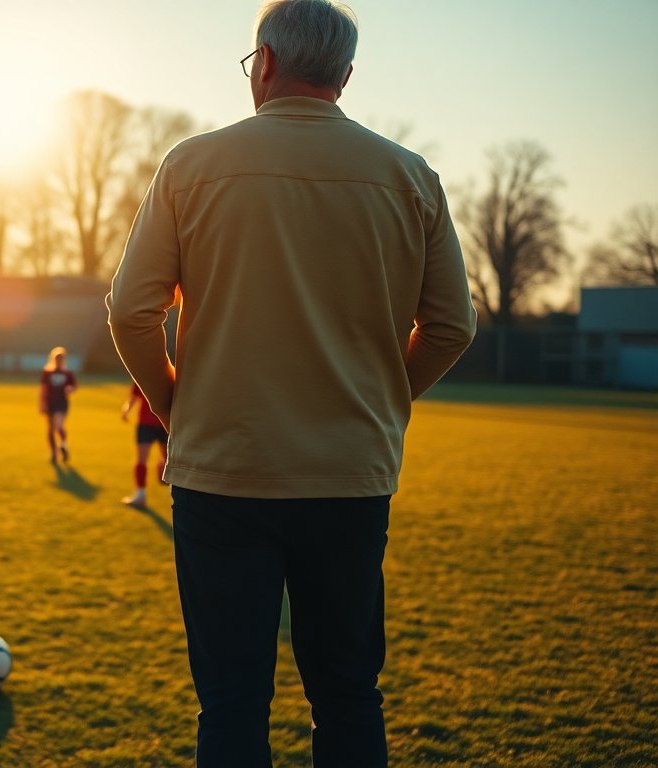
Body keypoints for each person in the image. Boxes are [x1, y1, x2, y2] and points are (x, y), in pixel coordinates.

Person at [106, 1, 477, 765]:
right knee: (348, 696)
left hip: (222, 472)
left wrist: (175, 407)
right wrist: (381, 404)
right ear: (345, 76)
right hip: (349, 474)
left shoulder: (192, 166)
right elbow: (451, 327)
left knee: (231, 704)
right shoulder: (411, 177)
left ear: (266, 64)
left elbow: (131, 311)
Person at [120, 382, 168, 508]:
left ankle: (175, 497)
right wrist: (126, 410)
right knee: (141, 460)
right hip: (145, 424)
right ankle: (140, 495)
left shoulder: (171, 375)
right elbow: (134, 397)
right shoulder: (142, 376)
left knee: (168, 460)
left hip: (166, 423)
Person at [38, 346, 77, 463]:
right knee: (50, 429)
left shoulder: (67, 373)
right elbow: (43, 389)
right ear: (53, 359)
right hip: (50, 402)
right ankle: (54, 452)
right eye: (57, 359)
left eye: (61, 359)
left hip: (61, 403)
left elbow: (74, 386)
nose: (59, 361)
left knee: (59, 426)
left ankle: (63, 445)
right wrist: (42, 403)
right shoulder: (47, 373)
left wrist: (70, 389)